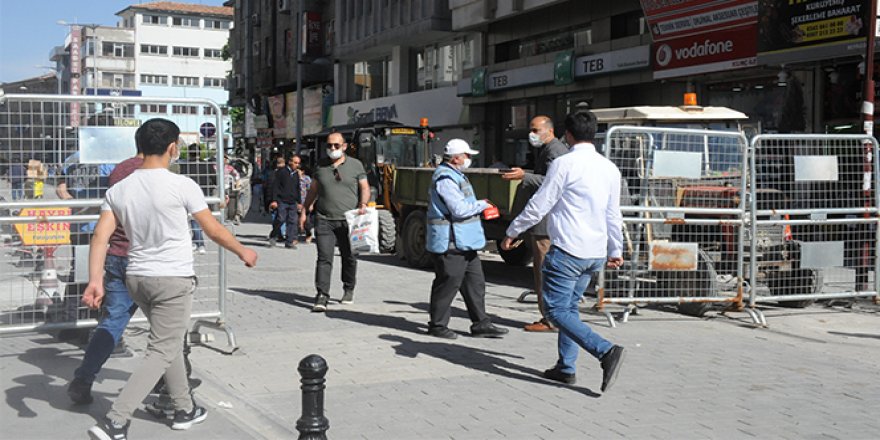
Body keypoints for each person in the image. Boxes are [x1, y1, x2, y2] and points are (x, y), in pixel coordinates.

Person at [83, 118, 258, 439]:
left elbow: (100, 237)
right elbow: (213, 229)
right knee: (161, 349)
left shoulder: (119, 189)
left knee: (169, 341)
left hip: (136, 278)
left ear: (140, 146)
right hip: (172, 280)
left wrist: (94, 279)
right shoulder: (182, 185)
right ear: (172, 147)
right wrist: (242, 250)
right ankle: (116, 421)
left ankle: (184, 408)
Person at [501, 110, 625, 394]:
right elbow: (612, 214)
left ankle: (606, 351)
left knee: (556, 311)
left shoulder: (563, 163)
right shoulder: (609, 168)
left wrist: (513, 230)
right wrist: (615, 248)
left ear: (567, 135)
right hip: (594, 252)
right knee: (570, 309)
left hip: (569, 249)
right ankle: (565, 367)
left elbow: (540, 204)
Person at [66, 147, 145, 406]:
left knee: (111, 321)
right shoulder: (156, 174)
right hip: (150, 259)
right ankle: (172, 385)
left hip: (116, 252)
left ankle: (83, 378)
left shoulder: (119, 169)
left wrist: (95, 278)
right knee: (168, 327)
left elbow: (61, 189)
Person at [425, 139, 509, 340]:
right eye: (467, 155)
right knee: (448, 283)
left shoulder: (455, 174)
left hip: (464, 242)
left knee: (475, 283)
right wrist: (482, 204)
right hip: (451, 242)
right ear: (456, 158)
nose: (469, 159)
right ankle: (437, 325)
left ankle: (481, 323)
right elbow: (459, 209)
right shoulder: (445, 178)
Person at [502, 116, 569, 332]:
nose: (531, 134)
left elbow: (553, 183)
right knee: (541, 269)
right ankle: (549, 317)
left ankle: (550, 319)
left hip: (546, 222)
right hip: (544, 221)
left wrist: (525, 176)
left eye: (535, 129)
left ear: (548, 131)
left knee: (544, 270)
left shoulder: (555, 151)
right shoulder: (547, 150)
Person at [299, 132, 371, 312]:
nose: (332, 149)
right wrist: (304, 210)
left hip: (349, 220)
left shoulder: (356, 165)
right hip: (324, 219)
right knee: (324, 258)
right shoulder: (321, 166)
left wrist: (363, 204)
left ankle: (348, 288)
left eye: (336, 146)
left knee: (349, 256)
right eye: (329, 146)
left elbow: (365, 187)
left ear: (344, 146)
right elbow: (313, 190)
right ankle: (322, 295)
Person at [179, 144, 215, 255]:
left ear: (189, 153)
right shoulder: (207, 165)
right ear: (200, 153)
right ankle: (196, 242)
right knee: (197, 220)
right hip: (204, 194)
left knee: (194, 220)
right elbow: (215, 179)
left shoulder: (185, 166)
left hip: (188, 194)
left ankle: (200, 243)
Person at [268, 155, 302, 249]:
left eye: (298, 163)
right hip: (282, 200)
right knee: (280, 219)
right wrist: (274, 200)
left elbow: (297, 188)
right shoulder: (282, 172)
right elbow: (276, 186)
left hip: (292, 201)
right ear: (290, 162)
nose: (297, 165)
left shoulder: (296, 174)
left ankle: (289, 241)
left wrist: (299, 202)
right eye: (295, 162)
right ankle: (274, 235)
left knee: (292, 221)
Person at [297, 163, 314, 243]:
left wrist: (311, 204)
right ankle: (294, 237)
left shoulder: (307, 179)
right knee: (294, 220)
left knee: (307, 222)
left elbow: (311, 191)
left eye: (298, 170)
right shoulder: (294, 178)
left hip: (305, 202)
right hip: (296, 203)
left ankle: (308, 234)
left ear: (302, 171)